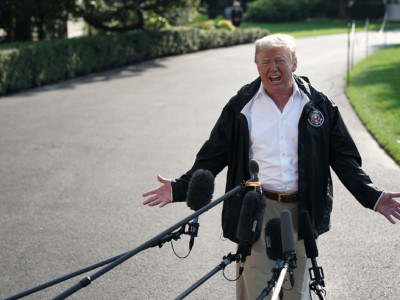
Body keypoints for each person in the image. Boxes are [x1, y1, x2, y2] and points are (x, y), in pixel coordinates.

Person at [142, 34, 400, 300]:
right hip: (257, 207)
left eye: (280, 60)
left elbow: (345, 159)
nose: (272, 67)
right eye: (265, 61)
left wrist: (374, 197)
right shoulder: (241, 106)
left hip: (304, 209)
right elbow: (212, 155)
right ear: (257, 66)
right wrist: (179, 188)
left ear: (295, 63)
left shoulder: (319, 106)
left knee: (296, 291)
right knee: (255, 288)